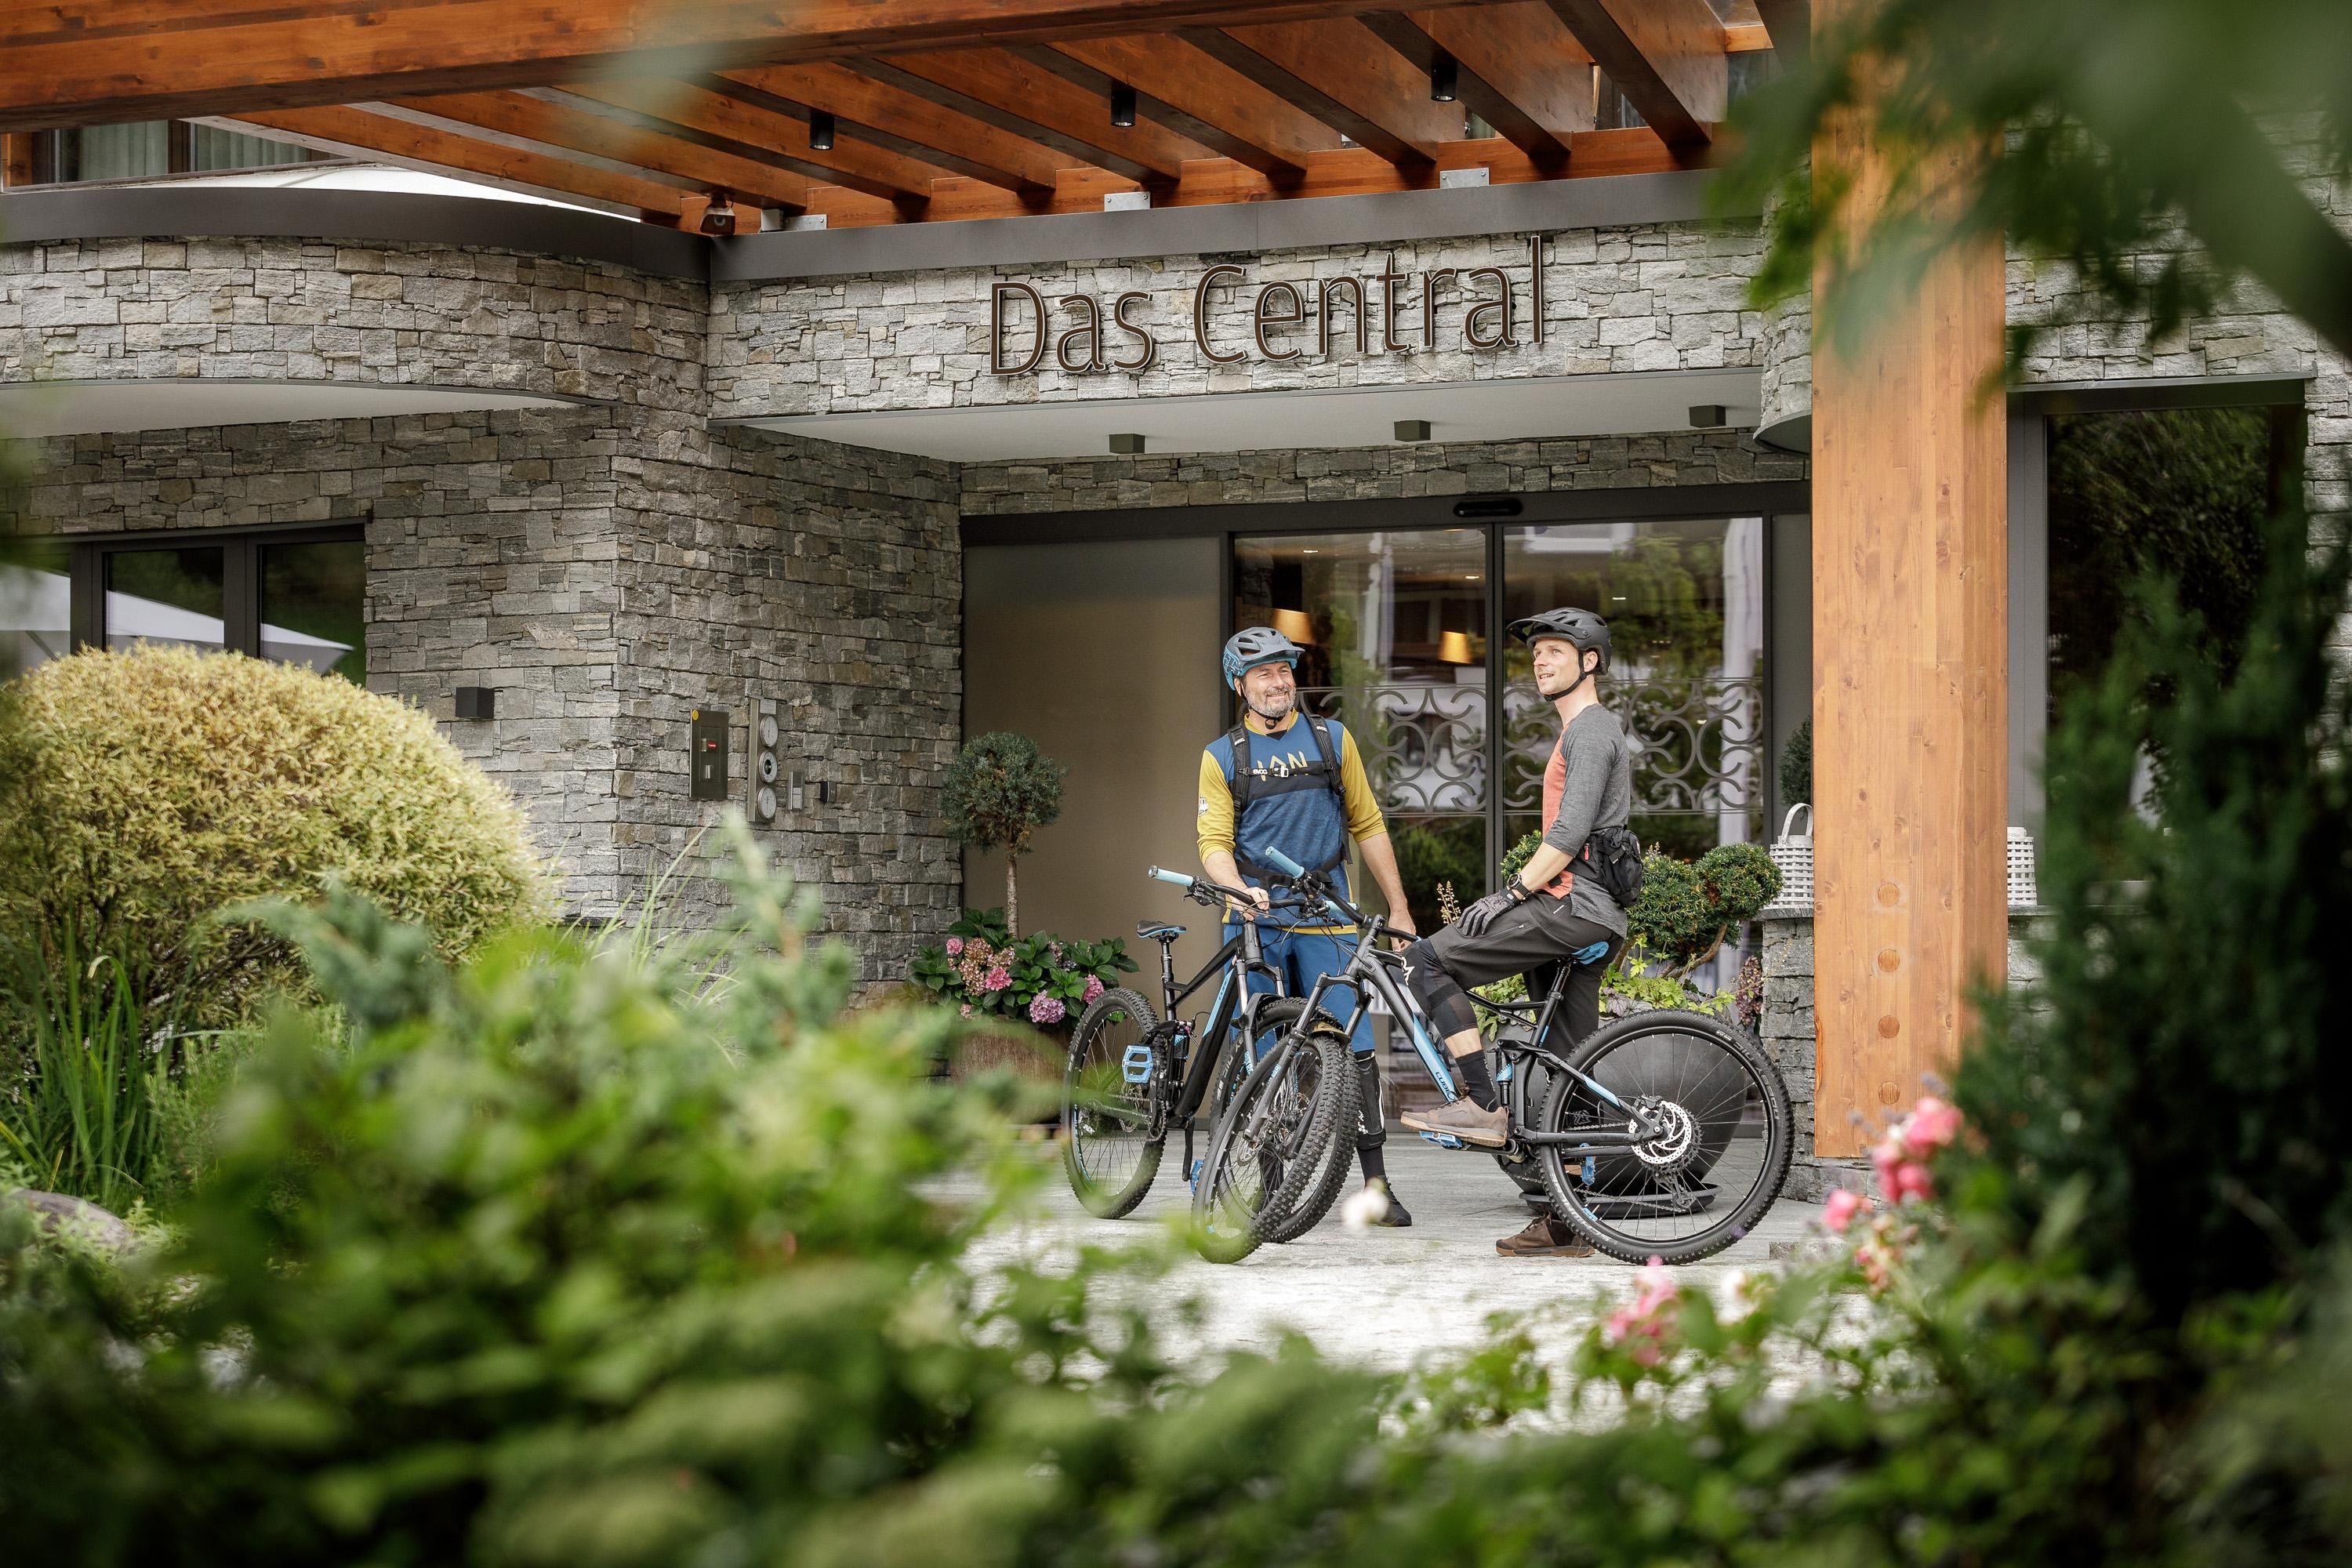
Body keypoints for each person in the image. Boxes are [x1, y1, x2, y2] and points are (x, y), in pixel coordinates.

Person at [1397, 608, 1635, 1258]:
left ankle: (1480, 1101)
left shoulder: (1591, 731)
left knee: (1427, 961)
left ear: (1590, 661)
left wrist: (1510, 893)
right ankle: (1570, 1225)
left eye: (1556, 651)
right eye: (1536, 655)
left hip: (1573, 908)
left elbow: (1569, 833)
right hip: (1591, 916)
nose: (1541, 661)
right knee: (1568, 1073)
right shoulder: (1581, 733)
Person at [1199, 626, 1421, 1225]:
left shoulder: (1331, 739)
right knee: (1263, 1050)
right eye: (1265, 673)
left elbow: (1368, 824)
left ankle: (1376, 1185)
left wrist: (1398, 907)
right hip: (1257, 919)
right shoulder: (1223, 756)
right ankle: (1270, 1182)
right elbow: (1214, 843)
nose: (1279, 682)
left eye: (1285, 670)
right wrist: (1236, 889)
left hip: (1325, 912)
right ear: (1239, 685)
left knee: (1357, 1047)